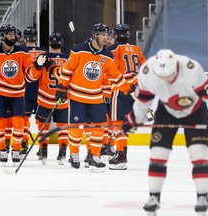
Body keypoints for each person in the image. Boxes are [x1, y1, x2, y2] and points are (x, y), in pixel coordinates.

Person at [123, 49, 208, 215]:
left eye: (170, 75)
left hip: (196, 111)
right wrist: (134, 118)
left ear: (176, 67)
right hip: (166, 112)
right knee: (158, 154)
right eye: (162, 76)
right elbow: (143, 101)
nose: (166, 80)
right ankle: (154, 197)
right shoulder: (147, 72)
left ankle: (202, 197)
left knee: (199, 154)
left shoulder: (192, 69)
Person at [54, 23, 131, 172]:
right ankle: (74, 154)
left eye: (107, 35)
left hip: (96, 97)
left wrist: (128, 88)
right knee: (76, 128)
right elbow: (67, 70)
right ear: (95, 34)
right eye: (103, 34)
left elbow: (115, 76)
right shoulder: (78, 50)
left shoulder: (107, 55)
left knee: (99, 127)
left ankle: (95, 156)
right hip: (77, 96)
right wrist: (62, 87)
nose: (106, 38)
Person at [0, 25, 43, 165]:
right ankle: (2, 150)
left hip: (18, 93)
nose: (13, 37)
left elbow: (30, 76)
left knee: (19, 123)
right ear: (2, 36)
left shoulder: (23, 52)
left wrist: (37, 66)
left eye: (14, 34)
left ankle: (16, 150)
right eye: (9, 34)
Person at [108, 23, 146, 170]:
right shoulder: (137, 49)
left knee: (118, 123)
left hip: (121, 88)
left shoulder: (114, 49)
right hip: (135, 90)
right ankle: (122, 153)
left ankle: (120, 154)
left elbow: (113, 71)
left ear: (116, 35)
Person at [34, 32, 69, 165]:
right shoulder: (68, 58)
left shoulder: (44, 58)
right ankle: (63, 151)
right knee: (63, 127)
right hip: (63, 99)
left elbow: (35, 76)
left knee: (43, 126)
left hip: (45, 98)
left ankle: (43, 151)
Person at [22, 26, 47, 157]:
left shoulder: (21, 51)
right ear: (36, 38)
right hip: (40, 90)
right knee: (41, 120)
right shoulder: (43, 52)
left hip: (25, 89)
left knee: (24, 119)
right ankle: (43, 147)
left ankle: (23, 144)